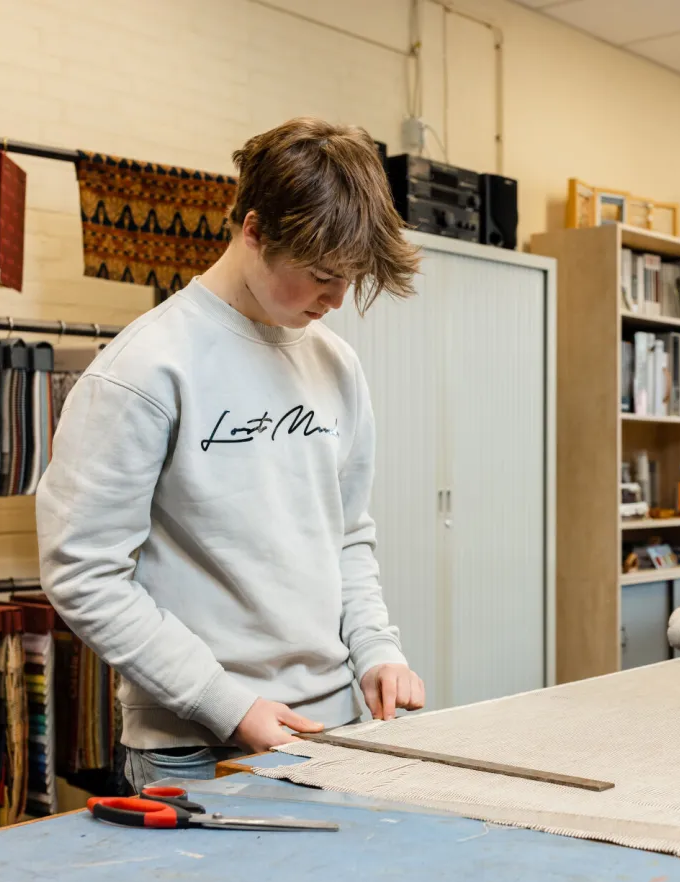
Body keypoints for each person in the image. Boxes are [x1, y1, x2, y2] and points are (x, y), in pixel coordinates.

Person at [36, 118, 427, 789]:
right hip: (193, 747)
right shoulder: (145, 368)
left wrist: (377, 652)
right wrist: (228, 705)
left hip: (337, 730)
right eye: (320, 275)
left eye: (350, 279)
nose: (336, 299)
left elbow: (348, 537)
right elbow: (83, 574)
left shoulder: (336, 364)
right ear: (253, 231)